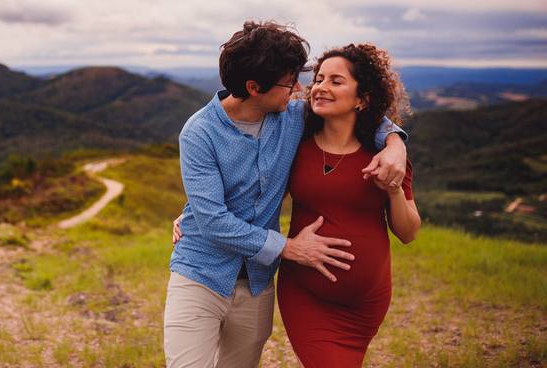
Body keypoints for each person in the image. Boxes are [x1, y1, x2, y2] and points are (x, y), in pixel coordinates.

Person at [164, 21, 407, 368]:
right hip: (199, 274)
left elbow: (357, 111)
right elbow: (214, 220)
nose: (299, 89)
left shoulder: (294, 116)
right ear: (253, 87)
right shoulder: (199, 132)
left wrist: (396, 142)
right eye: (289, 81)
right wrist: (290, 248)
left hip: (257, 282)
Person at [276, 43, 421, 367]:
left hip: (364, 304)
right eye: (319, 79)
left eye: (336, 81)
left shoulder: (387, 158)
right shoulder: (294, 147)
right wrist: (192, 215)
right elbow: (254, 191)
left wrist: (394, 189)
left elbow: (408, 232)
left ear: (362, 99)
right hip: (304, 294)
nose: (320, 88)